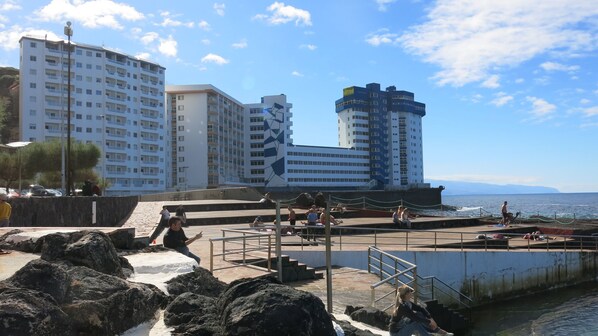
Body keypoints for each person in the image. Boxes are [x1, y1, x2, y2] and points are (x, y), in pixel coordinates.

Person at [389, 285, 453, 336]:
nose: (412, 293)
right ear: (406, 294)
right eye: (410, 292)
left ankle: (434, 331)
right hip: (396, 333)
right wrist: (429, 322)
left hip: (402, 328)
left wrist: (430, 318)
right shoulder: (402, 307)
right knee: (416, 322)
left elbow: (420, 308)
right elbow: (415, 318)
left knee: (419, 314)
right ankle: (435, 332)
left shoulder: (407, 303)